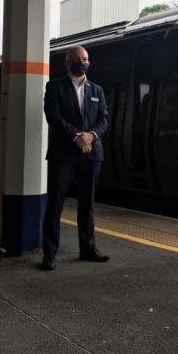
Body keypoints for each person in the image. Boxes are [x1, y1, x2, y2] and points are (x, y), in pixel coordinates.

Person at [41, 45, 109, 270]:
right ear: (67, 62)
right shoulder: (54, 87)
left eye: (86, 58)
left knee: (87, 204)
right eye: (78, 59)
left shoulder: (97, 90)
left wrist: (91, 135)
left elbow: (104, 119)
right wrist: (76, 137)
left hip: (92, 154)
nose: (83, 62)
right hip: (64, 154)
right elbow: (53, 116)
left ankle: (88, 248)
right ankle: (49, 254)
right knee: (55, 204)